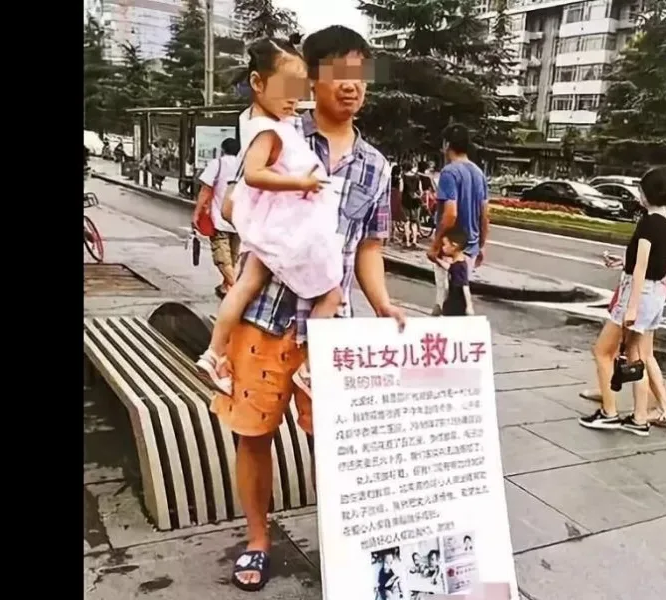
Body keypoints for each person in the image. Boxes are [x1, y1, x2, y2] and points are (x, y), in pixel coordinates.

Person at [211, 26, 406, 592]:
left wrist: (385, 303)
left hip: (331, 328)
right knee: (254, 435)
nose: (352, 87)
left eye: (360, 76)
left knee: (335, 443)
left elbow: (369, 248)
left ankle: (345, 546)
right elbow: (233, 202)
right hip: (265, 315)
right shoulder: (279, 133)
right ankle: (256, 540)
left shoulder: (375, 165)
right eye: (338, 74)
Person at [194, 35, 344, 397]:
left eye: (300, 87)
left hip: (267, 228)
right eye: (286, 87)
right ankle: (308, 371)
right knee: (333, 293)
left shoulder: (259, 120)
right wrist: (301, 182)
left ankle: (213, 354)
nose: (294, 96)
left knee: (243, 286)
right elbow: (253, 175)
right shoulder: (266, 130)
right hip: (282, 230)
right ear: (257, 84)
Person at [578, 166, 666, 436]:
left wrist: (631, 305)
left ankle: (609, 413)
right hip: (656, 294)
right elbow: (664, 261)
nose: (639, 194)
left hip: (639, 293)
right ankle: (638, 419)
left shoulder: (647, 222)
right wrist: (625, 262)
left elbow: (643, 266)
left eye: (642, 189)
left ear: (650, 193)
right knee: (637, 357)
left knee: (602, 352)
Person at [426, 125, 489, 315]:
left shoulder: (449, 172)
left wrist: (435, 245)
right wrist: (482, 245)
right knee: (458, 298)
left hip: (450, 247)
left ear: (447, 145)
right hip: (469, 248)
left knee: (447, 304)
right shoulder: (479, 173)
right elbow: (484, 215)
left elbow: (450, 214)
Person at [192, 137, 242, 299]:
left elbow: (205, 190)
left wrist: (197, 213)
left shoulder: (217, 164)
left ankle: (237, 292)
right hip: (240, 221)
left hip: (220, 219)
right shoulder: (245, 165)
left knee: (222, 259)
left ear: (222, 150)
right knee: (233, 258)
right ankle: (225, 287)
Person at [437, 229, 474, 316]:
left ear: (454, 246)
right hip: (452, 300)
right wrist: (438, 260)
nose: (443, 247)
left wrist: (469, 306)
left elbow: (465, 286)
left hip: (457, 304)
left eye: (445, 245)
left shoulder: (460, 267)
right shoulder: (457, 263)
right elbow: (451, 268)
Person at [401, 164, 424, 248]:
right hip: (415, 201)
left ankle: (407, 241)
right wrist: (417, 195)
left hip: (406, 201)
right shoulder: (417, 177)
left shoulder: (403, 177)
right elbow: (421, 191)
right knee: (414, 222)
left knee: (406, 222)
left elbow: (401, 189)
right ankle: (414, 240)